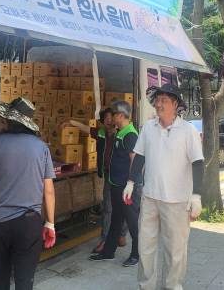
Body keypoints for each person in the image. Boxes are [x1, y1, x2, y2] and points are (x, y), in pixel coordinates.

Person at [0, 97, 56, 290]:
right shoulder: (42, 148)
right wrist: (50, 223)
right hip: (28, 223)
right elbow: (49, 190)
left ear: (12, 120)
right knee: (24, 279)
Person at [126, 84, 204, 290]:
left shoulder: (188, 131)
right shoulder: (148, 128)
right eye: (157, 99)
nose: (158, 104)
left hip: (178, 200)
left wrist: (197, 194)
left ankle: (171, 287)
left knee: (175, 250)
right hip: (151, 197)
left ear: (175, 104)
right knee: (145, 247)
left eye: (164, 101)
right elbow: (140, 156)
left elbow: (198, 162)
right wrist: (131, 181)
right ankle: (146, 285)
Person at [60, 107, 128, 253]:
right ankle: (105, 240)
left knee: (122, 206)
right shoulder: (101, 133)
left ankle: (122, 234)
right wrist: (71, 121)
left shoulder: (122, 134)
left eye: (111, 116)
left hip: (122, 176)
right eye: (105, 118)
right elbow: (85, 127)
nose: (108, 119)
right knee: (108, 208)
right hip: (109, 176)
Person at [90, 100, 141, 267]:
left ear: (121, 115)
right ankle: (108, 252)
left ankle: (136, 253)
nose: (110, 116)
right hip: (116, 183)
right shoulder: (120, 132)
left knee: (132, 220)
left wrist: (131, 183)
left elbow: (135, 160)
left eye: (112, 113)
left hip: (126, 187)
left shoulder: (130, 134)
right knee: (115, 219)